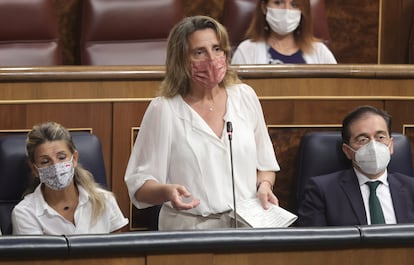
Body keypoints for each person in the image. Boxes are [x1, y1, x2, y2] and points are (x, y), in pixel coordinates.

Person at [124, 15, 280, 230]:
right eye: (199, 52)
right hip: (191, 229)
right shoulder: (165, 109)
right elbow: (139, 185)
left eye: (217, 49)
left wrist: (264, 185)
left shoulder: (245, 97)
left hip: (247, 227)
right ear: (181, 60)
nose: (212, 58)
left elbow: (265, 166)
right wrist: (167, 192)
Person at [297, 105, 414, 226]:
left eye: (380, 137)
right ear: (347, 151)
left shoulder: (411, 188)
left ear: (391, 145)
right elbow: (314, 242)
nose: (373, 146)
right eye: (363, 139)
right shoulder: (322, 191)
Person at [12, 122, 128, 235]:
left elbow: (119, 251)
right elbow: (36, 254)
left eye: (61, 157)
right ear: (35, 169)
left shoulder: (105, 200)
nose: (56, 166)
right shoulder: (25, 213)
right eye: (45, 161)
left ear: (74, 159)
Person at [231, 0, 336, 64]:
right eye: (278, 2)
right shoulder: (246, 51)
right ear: (264, 8)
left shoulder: (320, 52)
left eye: (294, 4)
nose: (286, 10)